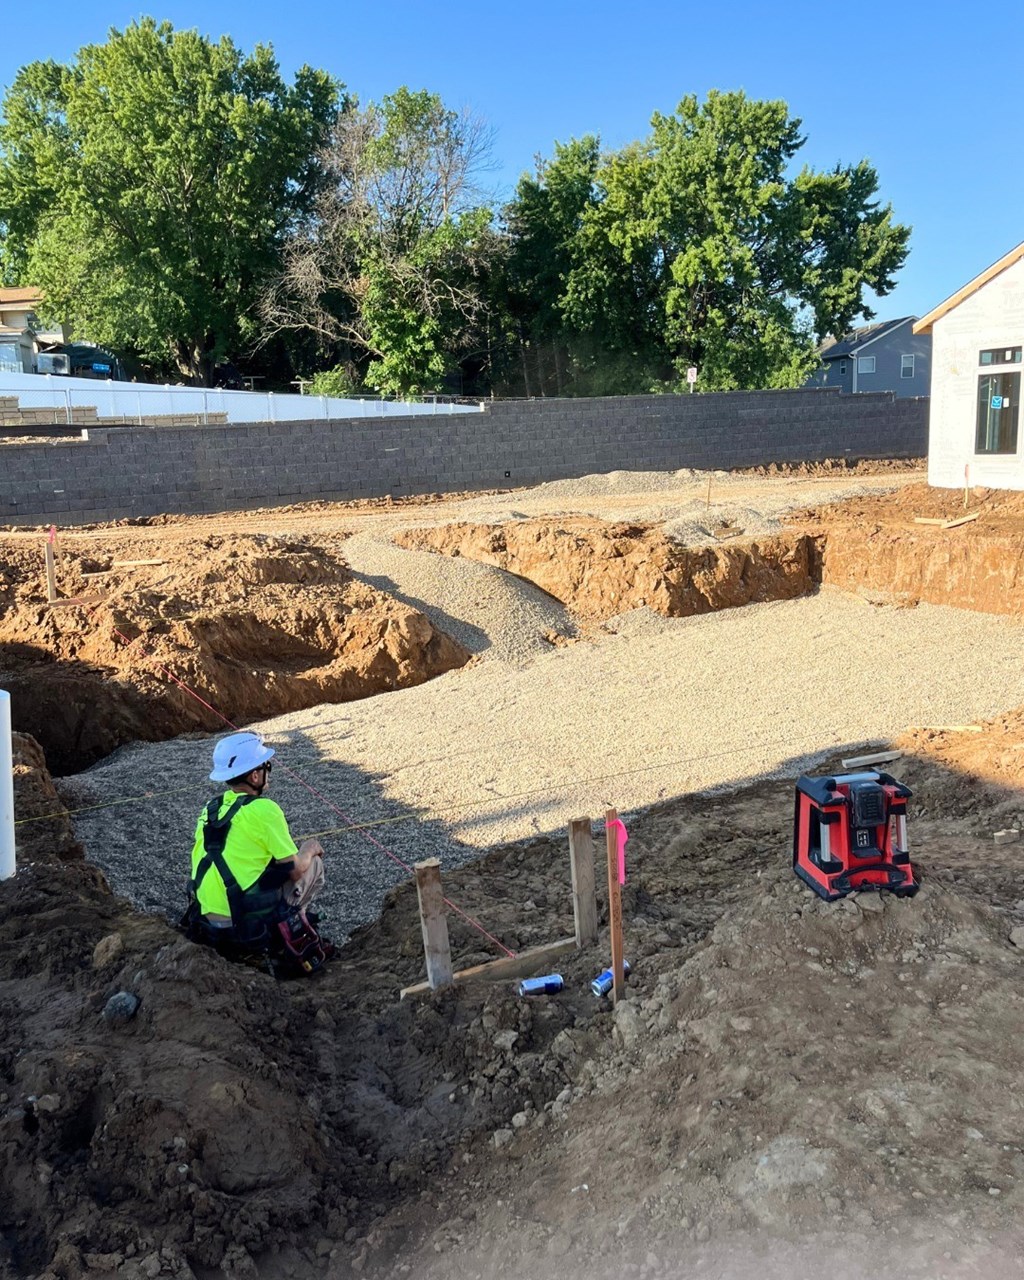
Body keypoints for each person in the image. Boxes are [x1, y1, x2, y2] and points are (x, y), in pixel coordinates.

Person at [185, 731, 330, 972]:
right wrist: (309, 849)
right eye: (266, 767)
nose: (267, 772)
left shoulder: (210, 809)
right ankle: (289, 926)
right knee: (313, 865)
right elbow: (294, 870)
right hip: (241, 928)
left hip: (207, 921)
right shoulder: (265, 810)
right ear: (255, 774)